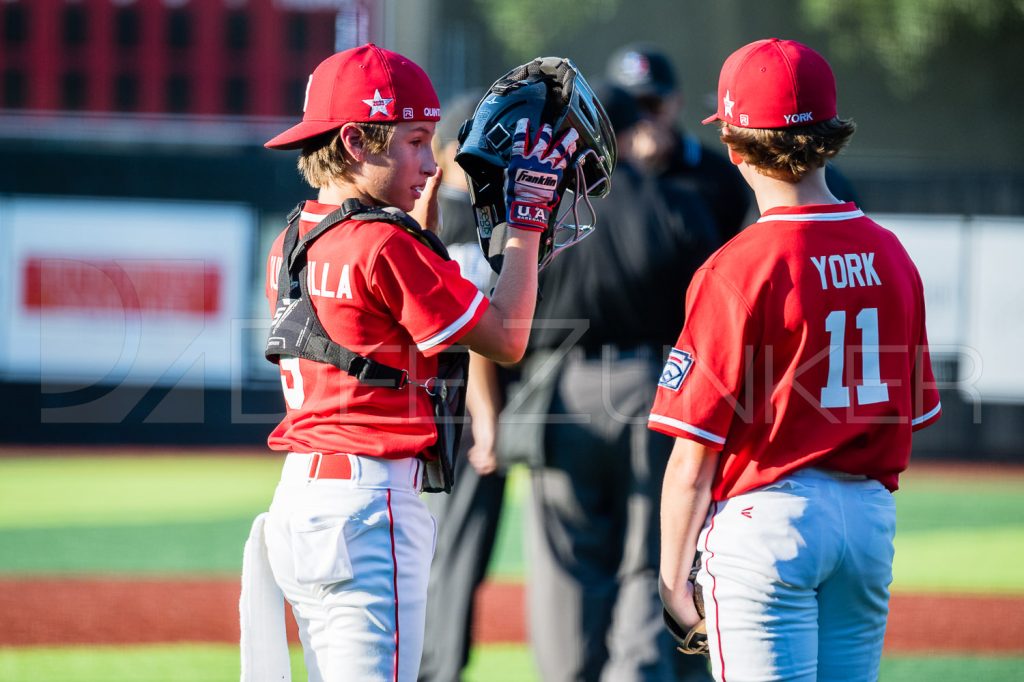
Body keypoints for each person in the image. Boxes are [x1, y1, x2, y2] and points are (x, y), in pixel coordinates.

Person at [238, 43, 581, 682]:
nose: (431, 162)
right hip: (368, 507)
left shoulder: (295, 236)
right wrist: (528, 227)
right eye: (417, 141)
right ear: (356, 142)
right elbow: (506, 337)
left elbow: (377, 296)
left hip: (302, 503)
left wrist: (415, 220)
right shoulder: (383, 244)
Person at [652, 38, 942, 682]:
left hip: (769, 521)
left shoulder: (738, 268)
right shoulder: (891, 254)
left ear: (733, 145)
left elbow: (693, 456)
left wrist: (674, 584)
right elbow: (912, 413)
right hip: (868, 520)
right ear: (830, 135)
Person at [513, 82, 719, 682]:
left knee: (567, 564)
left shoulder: (539, 208)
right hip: (653, 389)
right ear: (630, 133)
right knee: (651, 553)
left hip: (559, 389)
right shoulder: (674, 204)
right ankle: (637, 673)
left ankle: (569, 673)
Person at [418, 93, 513, 682]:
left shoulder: (441, 213)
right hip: (456, 413)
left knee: (450, 556)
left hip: (443, 410)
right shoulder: (457, 215)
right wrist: (487, 416)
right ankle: (436, 671)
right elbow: (472, 329)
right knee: (453, 556)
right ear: (453, 151)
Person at [607, 44, 752, 243]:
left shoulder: (718, 174)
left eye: (652, 104)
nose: (642, 118)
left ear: (677, 102)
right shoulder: (596, 183)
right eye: (629, 108)